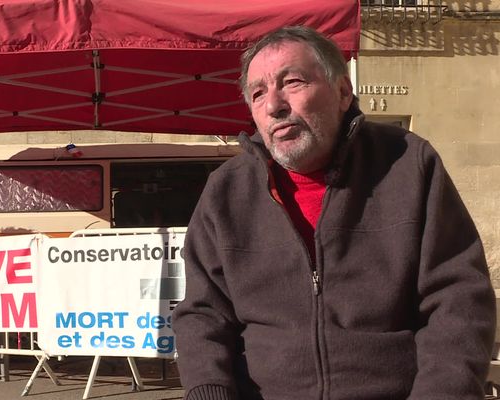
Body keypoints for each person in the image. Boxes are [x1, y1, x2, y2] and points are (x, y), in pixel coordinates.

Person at [172, 26, 496, 400]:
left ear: (343, 92)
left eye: (291, 82)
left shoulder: (408, 162)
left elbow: (458, 299)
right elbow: (201, 314)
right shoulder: (226, 191)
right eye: (258, 93)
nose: (274, 105)